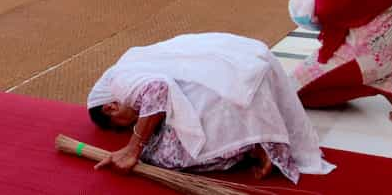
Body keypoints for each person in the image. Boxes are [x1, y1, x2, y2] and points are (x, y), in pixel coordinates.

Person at [87, 33, 335, 181]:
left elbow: (158, 90)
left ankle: (250, 146)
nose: (133, 123)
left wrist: (134, 148)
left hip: (241, 83)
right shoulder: (133, 60)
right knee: (166, 127)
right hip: (251, 67)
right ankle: (253, 145)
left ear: (111, 107)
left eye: (124, 124)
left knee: (162, 155)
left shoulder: (118, 80)